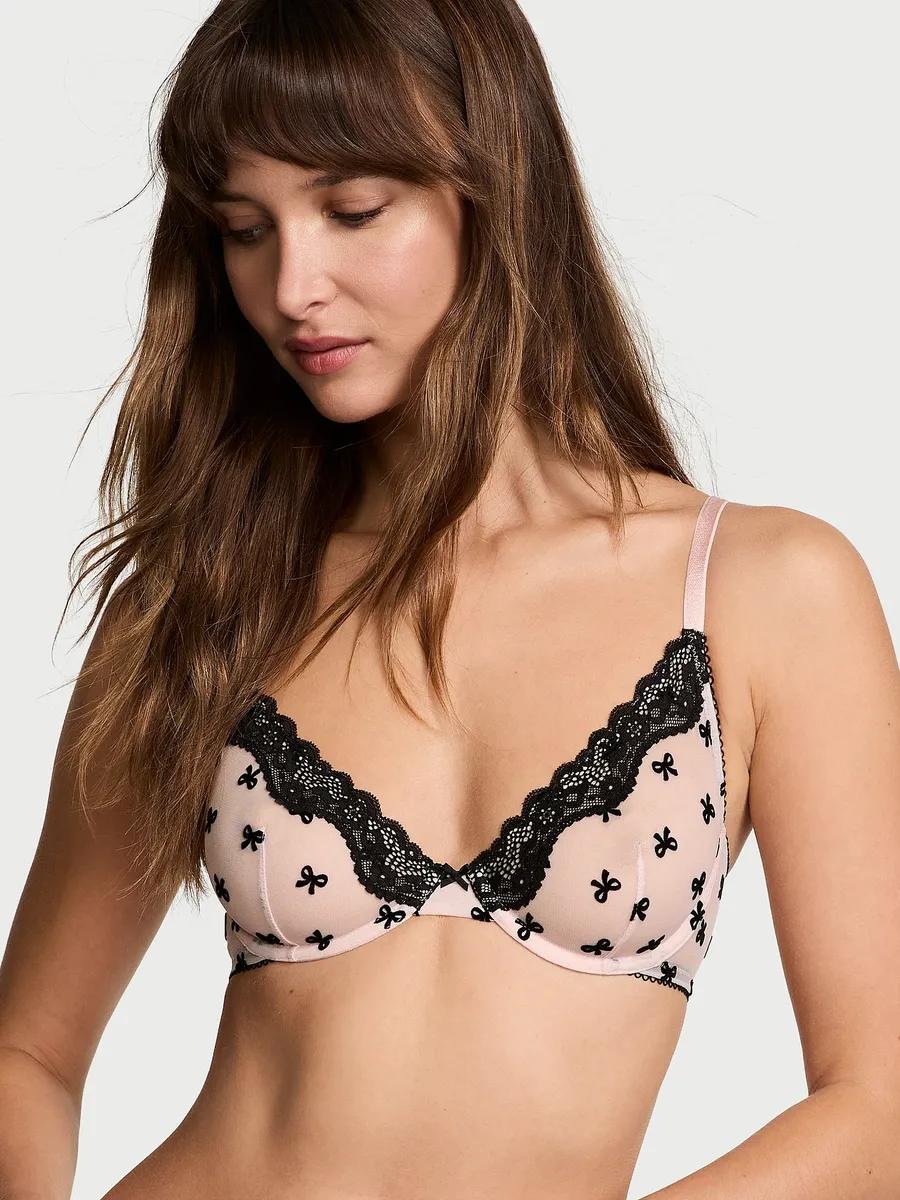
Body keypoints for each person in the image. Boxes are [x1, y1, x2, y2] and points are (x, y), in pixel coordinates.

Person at [2, 2, 898, 1198]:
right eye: (244, 230)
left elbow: (877, 1108)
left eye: (353, 211)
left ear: (495, 188)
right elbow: (29, 1052)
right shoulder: (207, 597)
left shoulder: (761, 590)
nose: (292, 287)